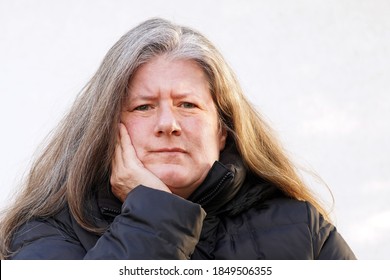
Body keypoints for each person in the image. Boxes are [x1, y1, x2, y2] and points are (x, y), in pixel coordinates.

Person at [0, 18, 356, 260]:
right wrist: (154, 215)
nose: (168, 124)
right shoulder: (45, 234)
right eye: (143, 107)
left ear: (222, 129)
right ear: (106, 128)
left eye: (188, 105)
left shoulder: (302, 230)